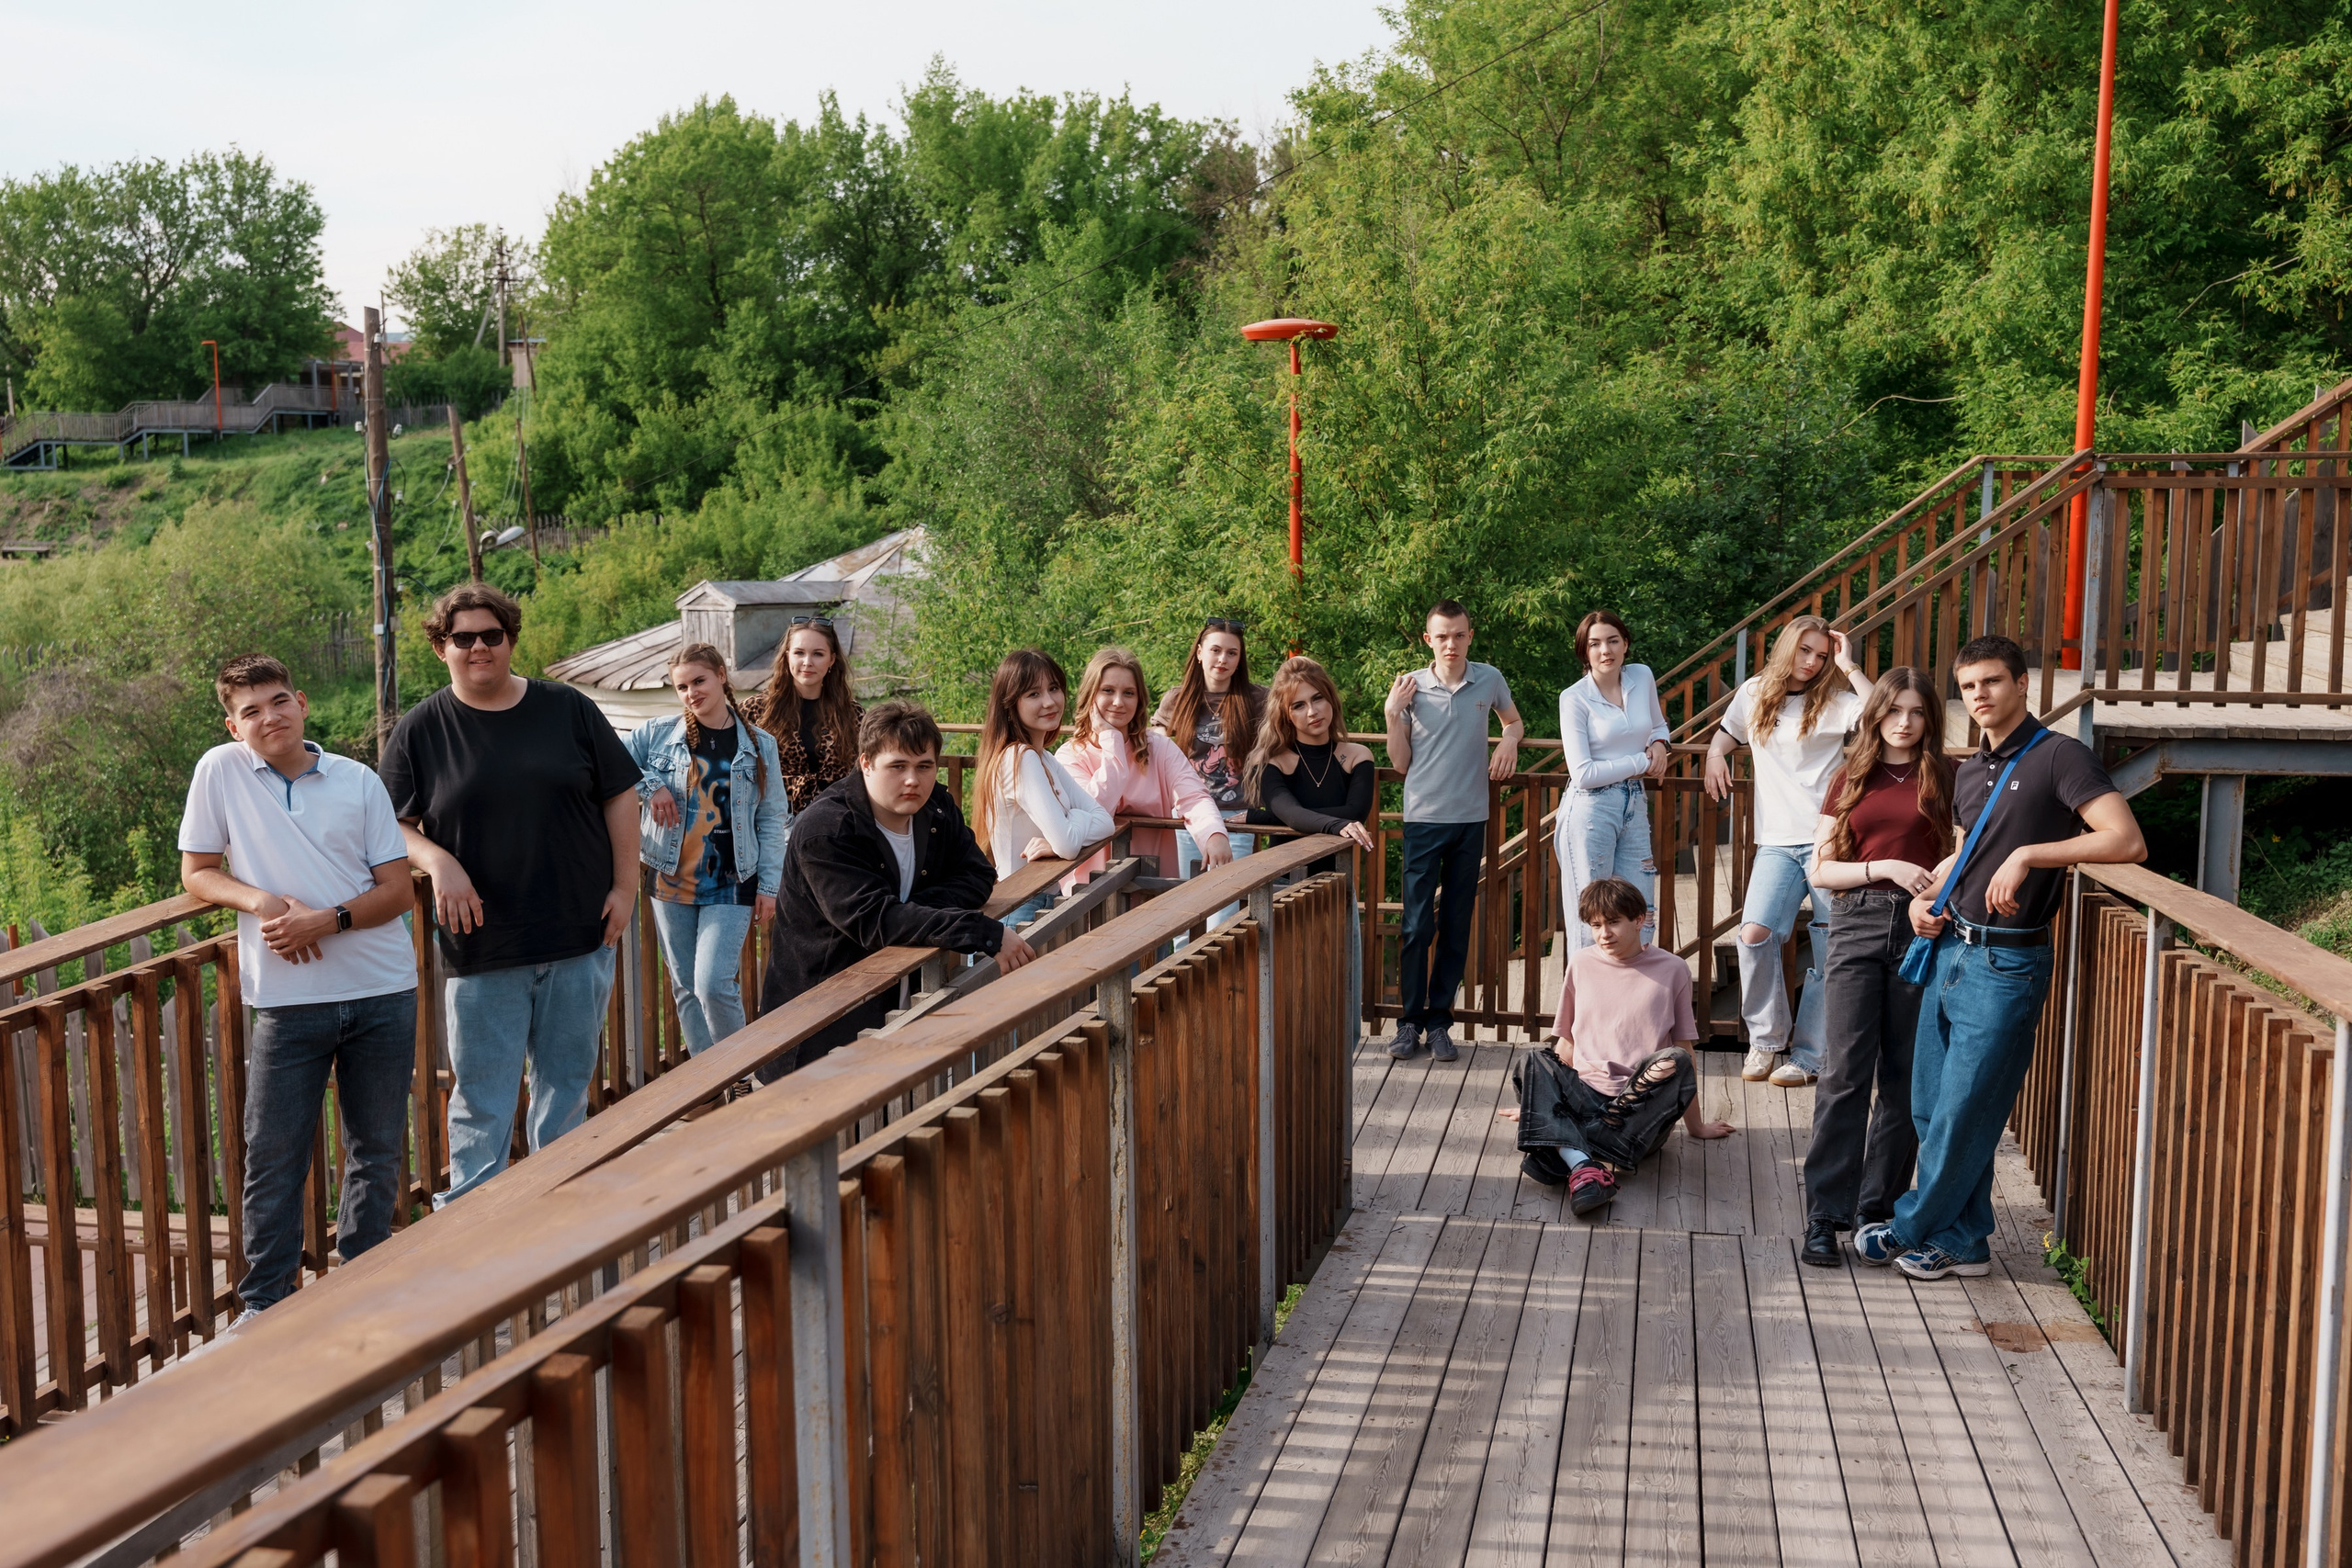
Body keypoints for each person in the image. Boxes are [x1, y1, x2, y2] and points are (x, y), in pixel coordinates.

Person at [1857, 635, 2144, 1280]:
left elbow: (2126, 840)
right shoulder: (1970, 768)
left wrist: (2031, 855)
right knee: (1934, 1105)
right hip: (1950, 947)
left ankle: (1909, 1227)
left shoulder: (2059, 757)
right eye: (1967, 687)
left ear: (2020, 684)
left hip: (2008, 963)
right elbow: (1966, 849)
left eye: (1991, 681)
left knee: (1963, 1110)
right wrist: (1926, 896)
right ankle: (1966, 1240)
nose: (1979, 695)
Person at [380, 583, 641, 1203]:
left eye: (490, 635)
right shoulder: (420, 730)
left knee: (565, 1089)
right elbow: (390, 825)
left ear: (510, 639)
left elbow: (620, 792)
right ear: (440, 647)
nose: (478, 647)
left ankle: (559, 1218)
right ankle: (477, 1239)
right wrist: (437, 860)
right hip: (483, 946)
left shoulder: (567, 709)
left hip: (579, 933)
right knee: (482, 1100)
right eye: (462, 638)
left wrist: (627, 886)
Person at [179, 655, 417, 1325]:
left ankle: (363, 1288)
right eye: (250, 711)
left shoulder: (357, 779)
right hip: (286, 999)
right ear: (233, 725)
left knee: (375, 1148)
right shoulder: (219, 772)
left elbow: (397, 889)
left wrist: (326, 919)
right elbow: (197, 871)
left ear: (302, 702)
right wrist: (259, 900)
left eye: (278, 701)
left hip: (381, 988)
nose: (268, 717)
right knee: (274, 1153)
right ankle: (265, 1304)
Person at [759, 701, 1038, 1077]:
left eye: (924, 766)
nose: (914, 780)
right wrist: (980, 932)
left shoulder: (934, 806)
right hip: (820, 1024)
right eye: (898, 766)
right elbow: (874, 921)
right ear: (866, 763)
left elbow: (977, 874)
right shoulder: (827, 830)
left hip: (897, 1011)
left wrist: (913, 909)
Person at [1798, 667, 1951, 1268]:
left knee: (1904, 1077)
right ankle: (1823, 1216)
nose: (1905, 722)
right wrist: (1885, 867)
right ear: (1878, 713)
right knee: (1843, 1071)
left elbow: (1965, 843)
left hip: (1922, 928)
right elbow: (1821, 869)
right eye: (1895, 711)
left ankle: (1876, 1211)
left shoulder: (1946, 776)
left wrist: (1934, 885)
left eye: (1917, 712)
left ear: (1928, 718)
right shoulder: (1850, 778)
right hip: (1858, 920)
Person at [1703, 614, 1874, 1088]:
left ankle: (1809, 1056)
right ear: (1787, 648)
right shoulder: (1756, 692)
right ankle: (1766, 1038)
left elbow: (1883, 711)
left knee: (1828, 946)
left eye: (1821, 656)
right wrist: (1715, 754)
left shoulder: (1838, 700)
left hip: (1830, 838)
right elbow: (1728, 732)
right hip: (1776, 841)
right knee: (1756, 932)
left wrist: (1849, 665)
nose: (1812, 662)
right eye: (1806, 651)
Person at [1501, 877, 1734, 1218]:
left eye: (1613, 923)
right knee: (1533, 1059)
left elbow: (1684, 1047)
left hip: (1637, 1114)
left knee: (1676, 1059)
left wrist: (1696, 1127)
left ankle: (1562, 1148)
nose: (1603, 934)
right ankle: (1583, 1164)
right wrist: (1541, 1100)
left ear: (1639, 919)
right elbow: (1567, 1042)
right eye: (1595, 925)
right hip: (1585, 1096)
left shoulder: (1673, 970)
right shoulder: (1581, 964)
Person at [625, 642, 791, 1058]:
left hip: (733, 877)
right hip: (669, 876)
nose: (691, 693)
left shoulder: (759, 744)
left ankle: (737, 1075)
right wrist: (651, 785)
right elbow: (609, 763)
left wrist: (769, 886)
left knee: (712, 982)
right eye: (681, 687)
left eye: (699, 681)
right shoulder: (657, 734)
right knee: (684, 987)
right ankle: (707, 1086)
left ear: (721, 675)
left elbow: (771, 820)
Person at [1381, 599, 1524, 1064]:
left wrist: (1508, 739)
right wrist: (1391, 713)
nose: (1451, 643)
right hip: (1423, 818)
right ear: (1429, 640)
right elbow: (1400, 763)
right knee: (1417, 924)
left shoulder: (1490, 678)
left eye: (1458, 635)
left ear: (1469, 635)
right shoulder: (1410, 687)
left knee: (1456, 924)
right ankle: (1408, 1023)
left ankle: (1440, 1022)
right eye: (1441, 636)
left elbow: (1515, 720)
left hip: (1471, 818)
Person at [1057, 646, 1227, 881]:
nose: (1118, 702)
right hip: (1090, 889)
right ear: (1090, 696)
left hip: (1152, 880)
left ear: (1139, 700)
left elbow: (1194, 798)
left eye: (1129, 693)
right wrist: (1111, 741)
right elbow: (1093, 813)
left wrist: (1214, 833)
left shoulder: (1159, 748)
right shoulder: (1070, 756)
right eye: (1107, 690)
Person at [972, 649, 1116, 924]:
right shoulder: (1019, 758)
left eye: (1054, 688)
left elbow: (1105, 822)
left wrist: (1062, 834)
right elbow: (1068, 845)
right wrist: (1065, 831)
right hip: (1019, 908)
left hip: (1038, 901)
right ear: (1010, 705)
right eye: (1033, 694)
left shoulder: (1045, 758)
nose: (1049, 702)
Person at [1555, 610, 1671, 949]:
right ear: (1584, 652)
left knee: (1641, 912)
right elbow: (1583, 773)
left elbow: (1658, 724)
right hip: (1590, 811)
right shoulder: (1574, 697)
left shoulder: (1641, 676)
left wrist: (1660, 744)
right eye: (1595, 644)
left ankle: (1634, 1000)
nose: (1605, 650)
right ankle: (1586, 1001)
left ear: (1625, 644)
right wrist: (1641, 760)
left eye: (1612, 641)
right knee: (1591, 918)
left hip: (1634, 802)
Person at [1152, 617, 1262, 884]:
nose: (1222, 659)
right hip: (1189, 814)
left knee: (1226, 900)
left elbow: (1279, 744)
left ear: (1239, 659)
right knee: (1186, 898)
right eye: (1215, 650)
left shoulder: (1258, 700)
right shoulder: (1177, 699)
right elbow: (1155, 748)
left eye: (1231, 653)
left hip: (1236, 816)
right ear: (1200, 653)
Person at [1242, 655, 1377, 871]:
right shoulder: (1270, 761)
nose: (1312, 712)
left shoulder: (1357, 756)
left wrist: (1269, 817)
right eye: (1298, 706)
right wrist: (1289, 816)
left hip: (1337, 881)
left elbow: (1355, 814)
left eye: (1318, 698)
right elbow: (1293, 815)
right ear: (1286, 715)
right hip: (1282, 883)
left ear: (1331, 699)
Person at [749, 614, 863, 813]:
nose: (807, 662)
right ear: (787, 656)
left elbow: (872, 769)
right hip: (775, 819)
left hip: (837, 817)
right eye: (799, 653)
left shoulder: (853, 714)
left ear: (832, 660)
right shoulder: (757, 710)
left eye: (818, 654)